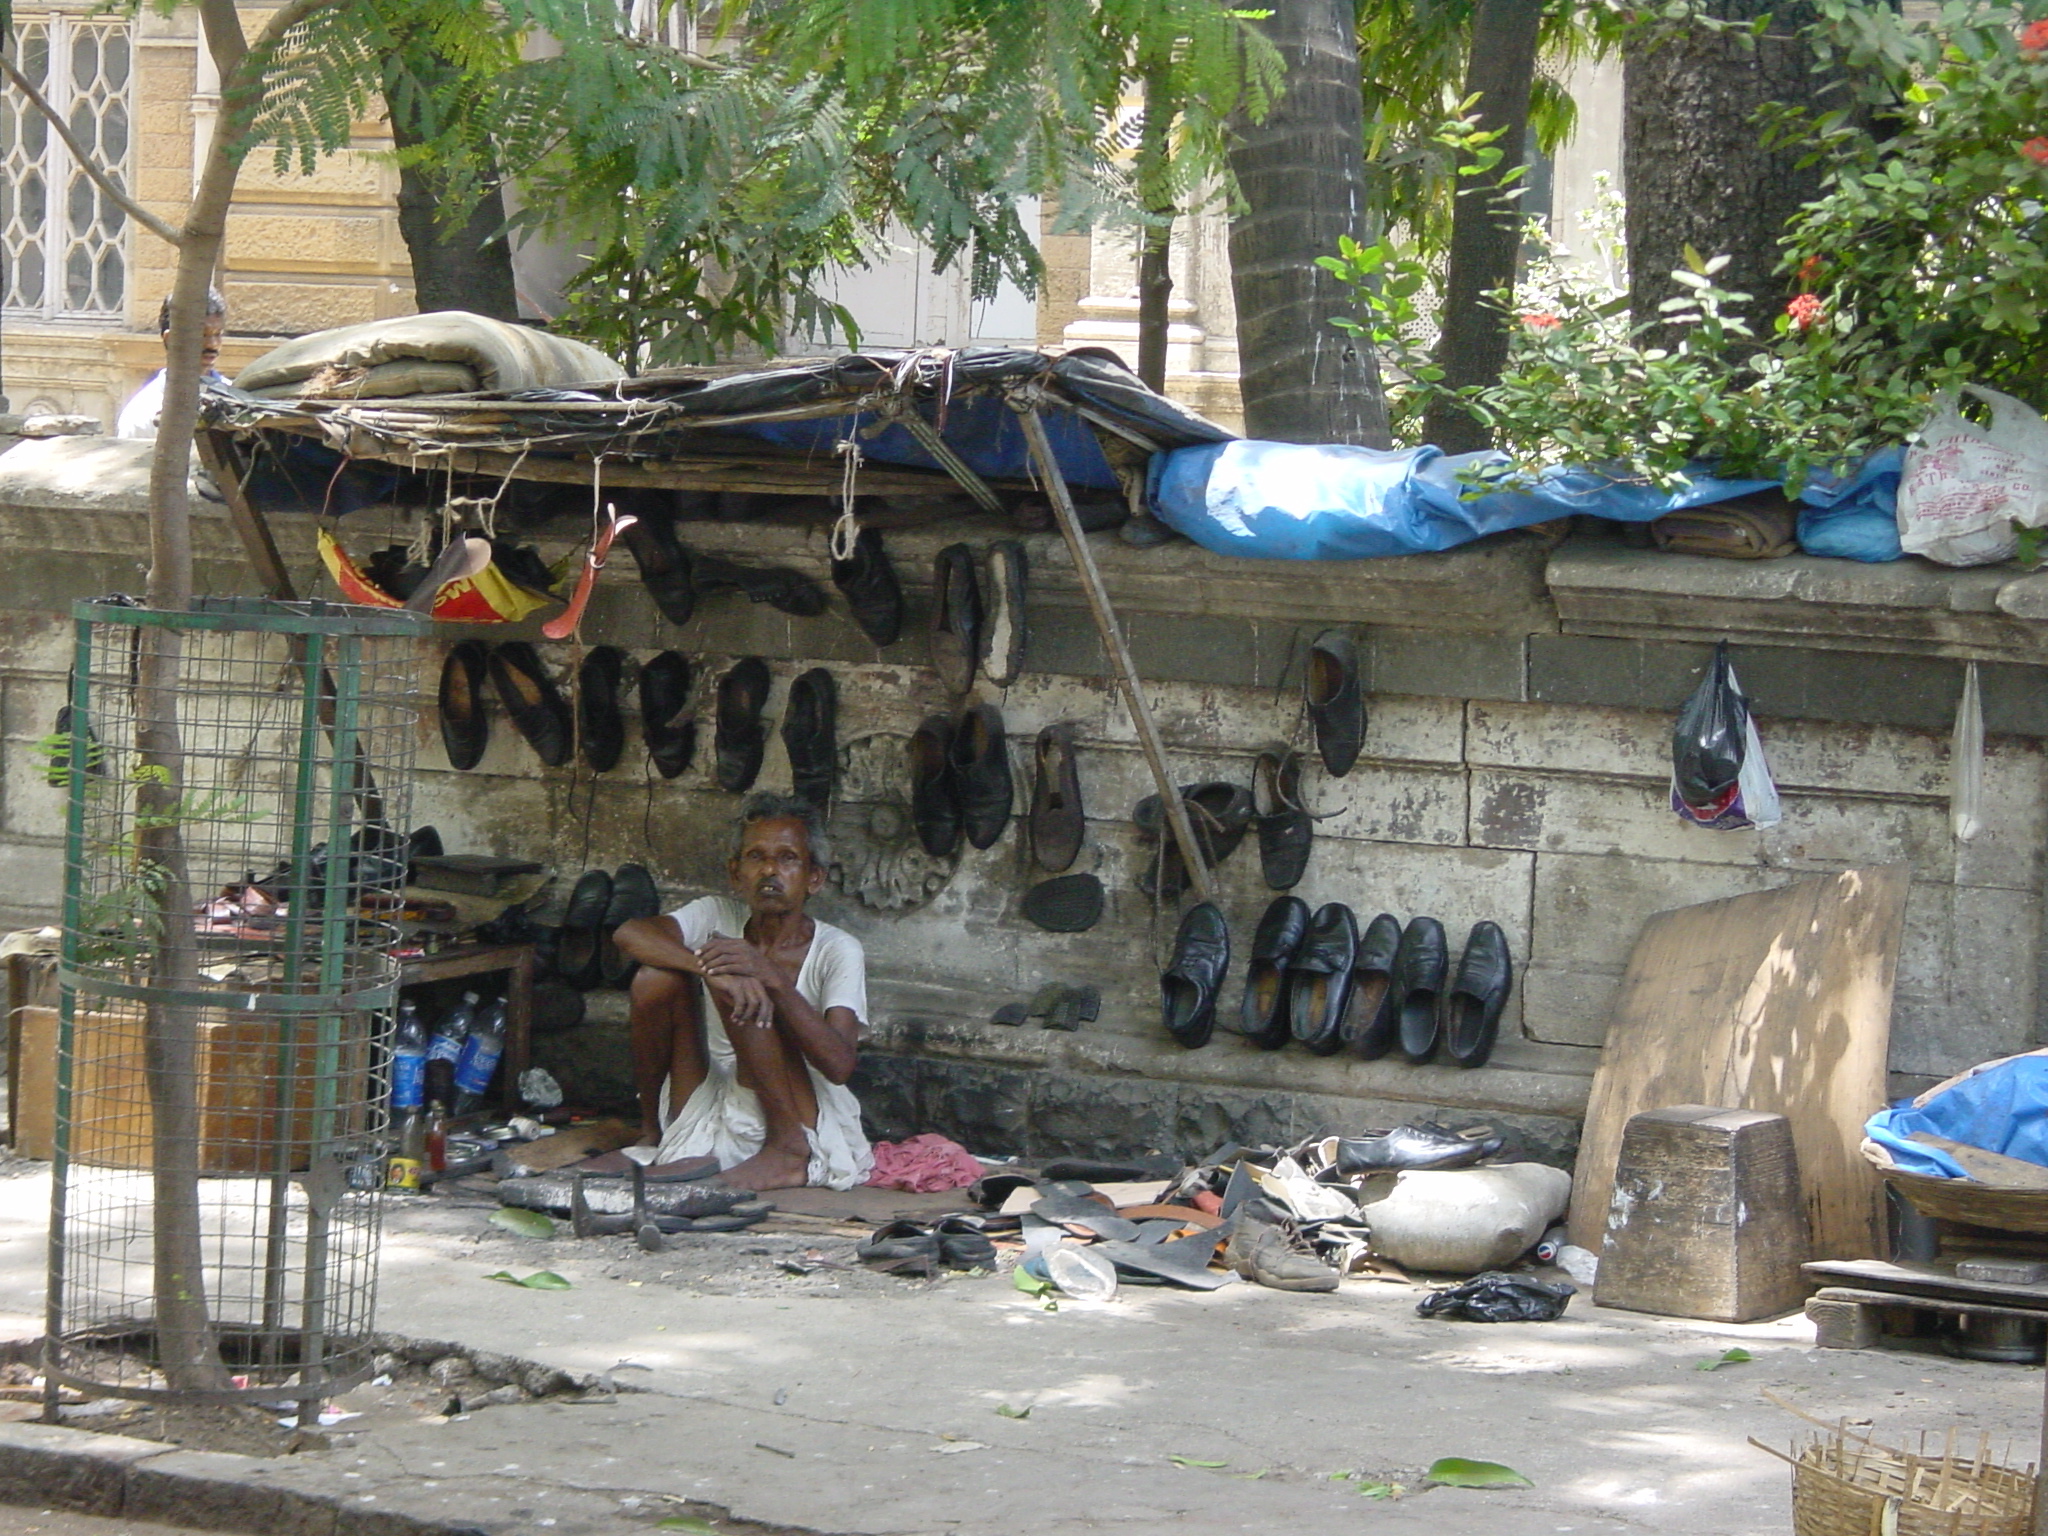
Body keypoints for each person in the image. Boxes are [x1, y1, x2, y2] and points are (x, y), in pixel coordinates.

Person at [611, 793, 873, 1192]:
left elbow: (839, 1065)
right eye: (756, 857)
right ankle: (652, 1129)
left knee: (743, 980)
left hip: (798, 1107)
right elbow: (629, 933)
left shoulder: (838, 949)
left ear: (814, 878)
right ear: (736, 873)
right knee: (655, 978)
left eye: (787, 859)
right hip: (712, 1093)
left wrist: (771, 979)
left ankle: (786, 1149)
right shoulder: (716, 914)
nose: (770, 870)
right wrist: (709, 971)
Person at [116, 287, 229, 439]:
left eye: (218, 334)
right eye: (202, 335)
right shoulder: (143, 415)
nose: (213, 344)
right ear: (171, 338)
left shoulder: (237, 398)